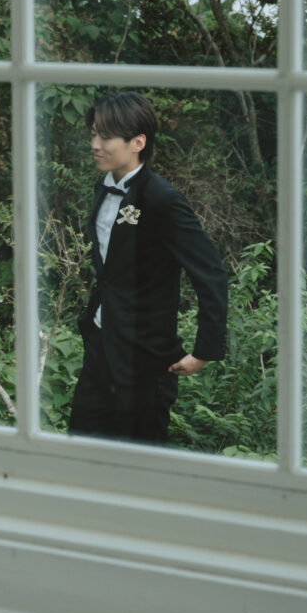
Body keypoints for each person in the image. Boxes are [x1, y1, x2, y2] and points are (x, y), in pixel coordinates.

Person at [69, 91, 228, 443]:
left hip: (144, 357)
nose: (95, 145)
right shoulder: (103, 188)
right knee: (80, 450)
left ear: (138, 142)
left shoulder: (162, 199)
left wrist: (205, 350)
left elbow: (211, 273)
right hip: (100, 346)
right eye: (93, 134)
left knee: (138, 460)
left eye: (105, 137)